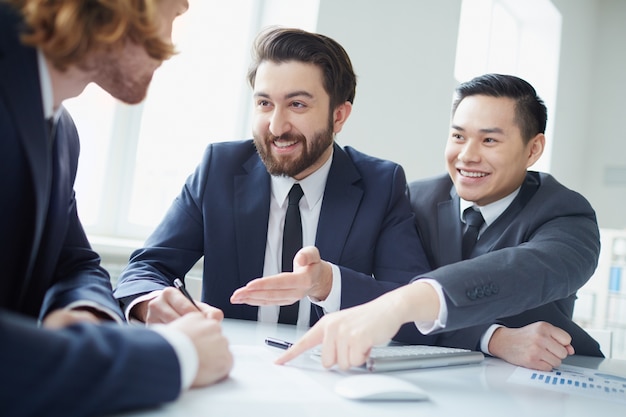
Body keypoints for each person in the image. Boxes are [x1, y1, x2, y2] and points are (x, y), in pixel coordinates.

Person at [112, 26, 432, 342]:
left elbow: (416, 310)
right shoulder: (218, 169)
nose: (277, 126)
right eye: (264, 103)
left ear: (338, 116)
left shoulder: (381, 184)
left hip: (331, 372)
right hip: (230, 366)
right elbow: (145, 270)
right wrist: (152, 303)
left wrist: (327, 285)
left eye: (297, 105)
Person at [276, 73, 601, 371]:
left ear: (533, 149)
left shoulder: (566, 212)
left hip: (549, 374)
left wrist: (405, 302)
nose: (467, 156)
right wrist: (493, 337)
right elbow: (390, 293)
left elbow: (528, 270)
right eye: (458, 136)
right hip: (437, 373)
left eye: (489, 141)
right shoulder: (415, 199)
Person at [0, 1, 232, 416]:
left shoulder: (60, 131)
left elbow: (75, 263)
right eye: (174, 14)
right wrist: (174, 355)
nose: (170, 44)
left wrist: (85, 312)